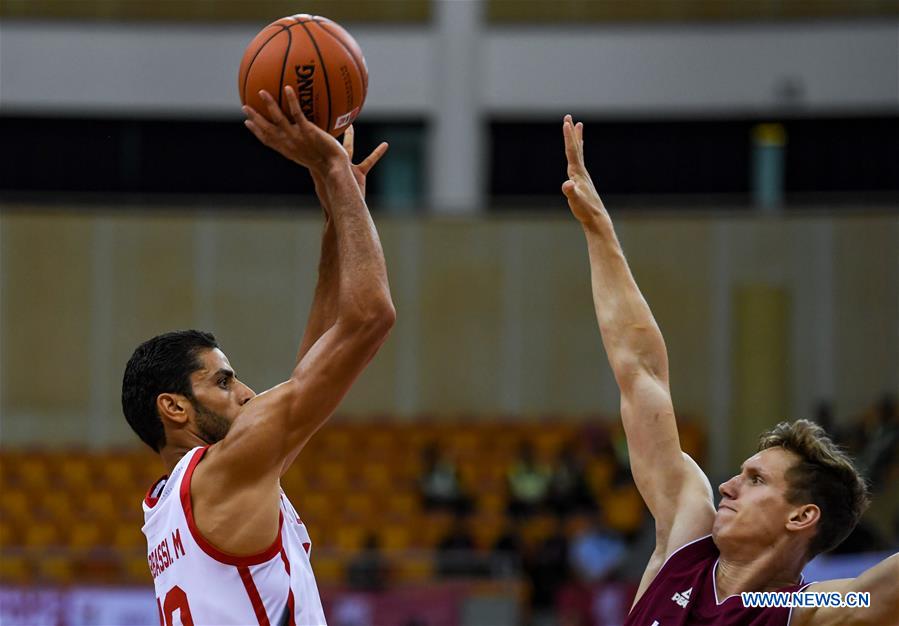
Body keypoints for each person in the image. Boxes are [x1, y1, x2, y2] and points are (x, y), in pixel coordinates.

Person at [560, 114, 898, 625]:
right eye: (741, 473)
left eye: (756, 480)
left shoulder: (802, 609)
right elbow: (641, 372)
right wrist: (600, 232)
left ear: (803, 516)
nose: (727, 486)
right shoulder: (686, 535)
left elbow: (880, 594)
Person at [122, 86, 395, 625]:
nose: (246, 392)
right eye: (222, 382)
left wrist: (335, 227)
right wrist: (337, 175)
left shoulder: (172, 506)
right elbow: (370, 319)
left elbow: (309, 369)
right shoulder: (225, 472)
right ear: (174, 408)